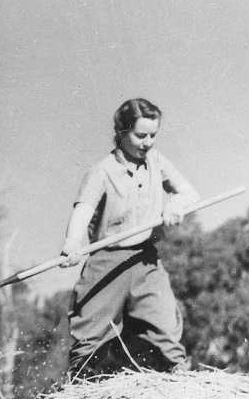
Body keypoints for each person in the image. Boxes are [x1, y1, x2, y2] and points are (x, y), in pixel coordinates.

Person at [60, 98, 199, 376]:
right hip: (107, 264)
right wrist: (72, 244)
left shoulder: (157, 162)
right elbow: (83, 210)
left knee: (166, 331)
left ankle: (181, 384)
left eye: (153, 135)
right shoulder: (102, 171)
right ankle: (78, 395)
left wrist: (175, 205)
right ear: (122, 133)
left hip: (145, 261)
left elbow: (189, 194)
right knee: (90, 340)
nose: (148, 142)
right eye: (140, 135)